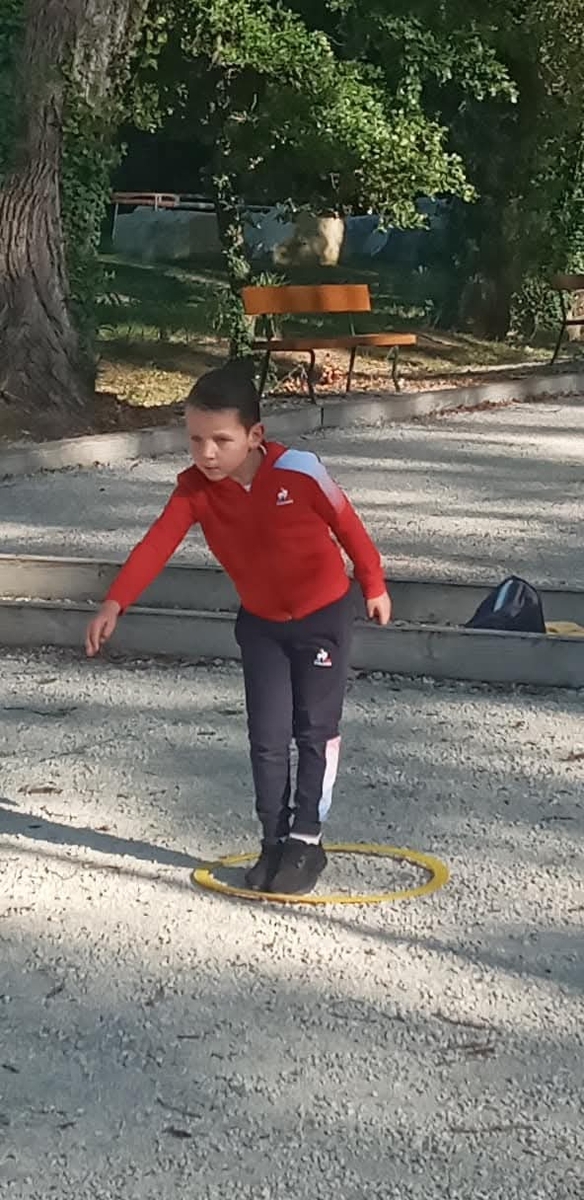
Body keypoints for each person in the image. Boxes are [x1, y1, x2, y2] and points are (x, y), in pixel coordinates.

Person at [85, 362, 391, 895]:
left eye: (220, 440)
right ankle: (273, 840)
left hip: (323, 616)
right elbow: (156, 544)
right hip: (262, 626)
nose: (206, 453)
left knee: (315, 730)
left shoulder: (300, 471)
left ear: (254, 436)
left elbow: (347, 523)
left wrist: (374, 583)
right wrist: (115, 602)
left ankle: (306, 839)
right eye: (195, 440)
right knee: (267, 738)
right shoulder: (193, 490)